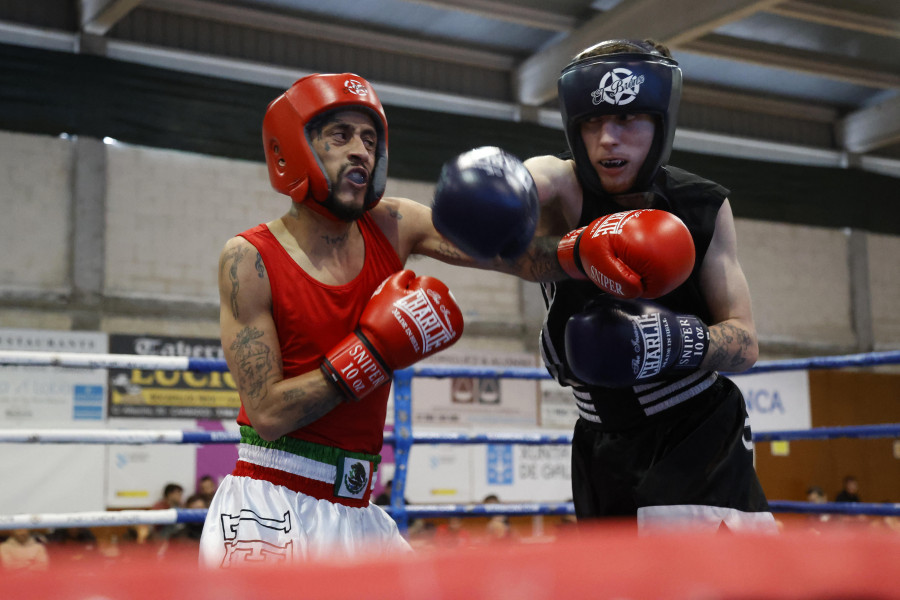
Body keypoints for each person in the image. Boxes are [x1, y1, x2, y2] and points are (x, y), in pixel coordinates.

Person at [201, 73, 561, 566]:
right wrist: (372, 352)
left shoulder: (393, 224)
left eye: (370, 140)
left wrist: (593, 253)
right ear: (292, 149)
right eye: (340, 135)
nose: (360, 152)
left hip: (358, 506)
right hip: (271, 502)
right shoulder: (249, 259)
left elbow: (505, 253)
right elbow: (268, 413)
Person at [514, 39, 776, 533]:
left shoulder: (702, 207)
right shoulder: (561, 192)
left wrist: (663, 343)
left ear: (660, 124)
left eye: (628, 119)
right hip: (597, 443)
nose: (608, 139)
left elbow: (745, 343)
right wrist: (501, 188)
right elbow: (530, 178)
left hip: (695, 434)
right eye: (592, 122)